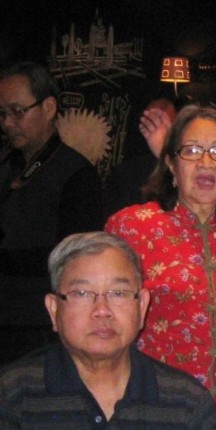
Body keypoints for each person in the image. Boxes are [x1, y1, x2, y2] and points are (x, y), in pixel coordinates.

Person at [0, 232, 216, 430]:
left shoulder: (186, 402)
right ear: (53, 309)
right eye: (82, 294)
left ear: (142, 306)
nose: (102, 311)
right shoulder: (13, 393)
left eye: (118, 293)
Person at [106, 106, 216, 430]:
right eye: (191, 151)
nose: (206, 163)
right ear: (171, 165)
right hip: (155, 416)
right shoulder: (132, 227)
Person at [0, 62, 103, 366]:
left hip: (38, 328)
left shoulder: (78, 174)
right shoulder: (7, 165)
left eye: (18, 111)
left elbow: (75, 259)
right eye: (2, 114)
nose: (7, 123)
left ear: (48, 107)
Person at [104, 95, 179, 215]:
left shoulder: (186, 168)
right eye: (152, 123)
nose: (158, 131)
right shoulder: (125, 174)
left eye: (164, 124)